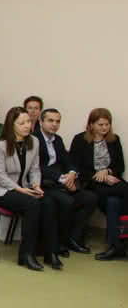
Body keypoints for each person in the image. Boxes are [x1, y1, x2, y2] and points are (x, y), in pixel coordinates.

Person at [0, 107, 59, 271]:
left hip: (24, 187)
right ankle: (26, 255)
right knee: (32, 204)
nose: (27, 126)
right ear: (12, 125)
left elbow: (35, 169)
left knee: (49, 201)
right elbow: (0, 176)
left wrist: (36, 185)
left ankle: (50, 252)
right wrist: (20, 190)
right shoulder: (1, 145)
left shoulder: (34, 141)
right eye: (22, 123)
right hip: (0, 190)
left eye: (28, 122)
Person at [36, 108, 97, 255]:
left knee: (90, 198)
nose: (54, 124)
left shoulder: (57, 139)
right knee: (67, 202)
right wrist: (62, 179)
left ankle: (72, 238)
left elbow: (68, 160)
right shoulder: (33, 139)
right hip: (42, 183)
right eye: (50, 121)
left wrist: (71, 173)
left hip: (60, 181)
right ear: (41, 122)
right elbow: (36, 166)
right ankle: (56, 242)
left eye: (57, 121)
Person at [69, 108, 128, 260]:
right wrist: (99, 176)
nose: (104, 128)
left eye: (107, 124)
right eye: (100, 124)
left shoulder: (114, 140)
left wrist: (107, 171)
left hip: (112, 181)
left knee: (114, 203)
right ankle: (119, 246)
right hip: (90, 182)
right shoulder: (80, 139)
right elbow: (75, 166)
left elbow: (120, 166)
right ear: (91, 124)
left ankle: (115, 246)